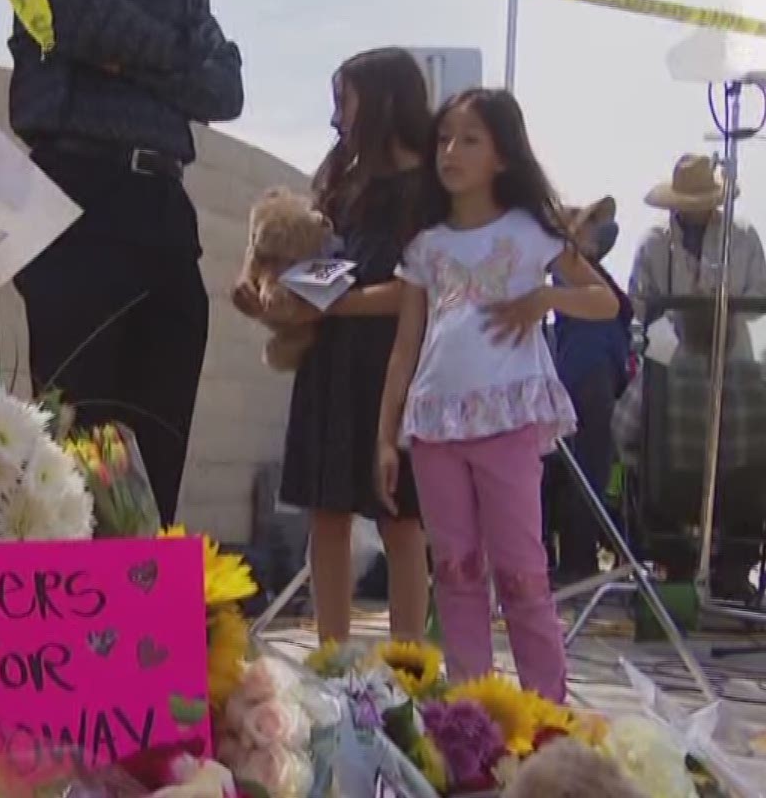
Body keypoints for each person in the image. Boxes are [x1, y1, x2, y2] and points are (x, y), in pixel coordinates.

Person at [7, 0, 245, 522]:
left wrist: (122, 56)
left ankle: (142, 609)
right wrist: (175, 67)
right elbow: (80, 18)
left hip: (164, 214)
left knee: (159, 431)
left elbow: (226, 88)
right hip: (77, 197)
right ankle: (70, 601)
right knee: (79, 427)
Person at [375, 88, 620, 703]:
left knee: (522, 574)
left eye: (470, 140)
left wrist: (545, 299)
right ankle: (473, 714)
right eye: (444, 140)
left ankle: (545, 714)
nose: (451, 152)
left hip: (507, 417)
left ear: (503, 157)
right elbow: (405, 347)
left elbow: (607, 302)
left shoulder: (530, 233)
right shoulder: (425, 246)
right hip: (434, 425)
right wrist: (386, 437)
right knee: (455, 574)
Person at [233, 48, 431, 646]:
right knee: (327, 513)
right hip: (329, 361)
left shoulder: (427, 189)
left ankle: (408, 665)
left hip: (393, 364)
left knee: (401, 520)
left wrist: (336, 302)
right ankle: (333, 659)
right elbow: (291, 251)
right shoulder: (339, 180)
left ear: (383, 101)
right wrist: (266, 287)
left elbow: (415, 294)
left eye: (345, 101)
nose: (336, 118)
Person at [612, 306, 766, 604]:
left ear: (683, 336)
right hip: (747, 505)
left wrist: (641, 461)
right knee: (754, 484)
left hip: (670, 499)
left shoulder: (656, 382)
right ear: (734, 337)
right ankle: (734, 571)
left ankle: (677, 568)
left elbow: (622, 430)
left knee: (642, 475)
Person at [544, 197, 634, 586]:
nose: (599, 230)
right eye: (589, 224)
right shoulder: (569, 275)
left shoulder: (591, 274)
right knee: (584, 472)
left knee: (587, 471)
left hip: (597, 376)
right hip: (585, 376)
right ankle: (577, 560)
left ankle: (578, 557)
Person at [628, 154, 766, 356]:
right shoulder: (653, 243)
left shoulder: (741, 235)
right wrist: (675, 319)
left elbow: (762, 296)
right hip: (672, 364)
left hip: (732, 360)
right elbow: (638, 303)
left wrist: (724, 310)